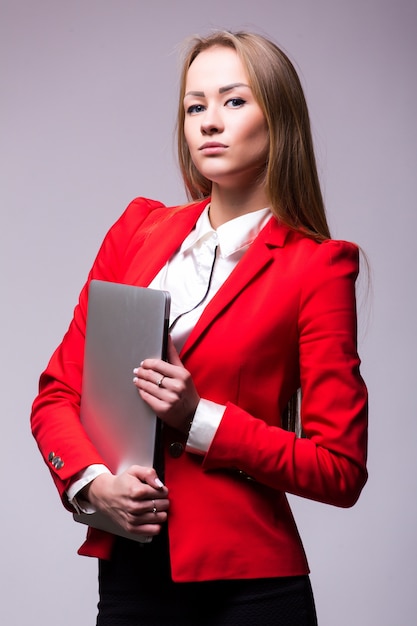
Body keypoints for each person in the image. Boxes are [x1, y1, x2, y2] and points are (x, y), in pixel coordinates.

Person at [31, 30, 368, 626]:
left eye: (234, 101)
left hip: (253, 588)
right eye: (195, 105)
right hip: (132, 575)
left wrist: (199, 419)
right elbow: (59, 392)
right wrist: (90, 486)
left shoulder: (318, 265)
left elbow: (340, 469)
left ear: (279, 118)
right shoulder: (136, 231)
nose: (210, 121)